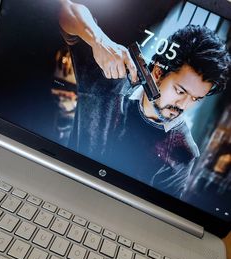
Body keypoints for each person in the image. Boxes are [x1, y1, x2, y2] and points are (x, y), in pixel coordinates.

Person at [59, 0, 230, 198]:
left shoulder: (184, 152)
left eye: (196, 99)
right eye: (180, 91)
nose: (183, 105)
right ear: (157, 73)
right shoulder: (109, 77)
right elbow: (66, 9)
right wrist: (98, 40)